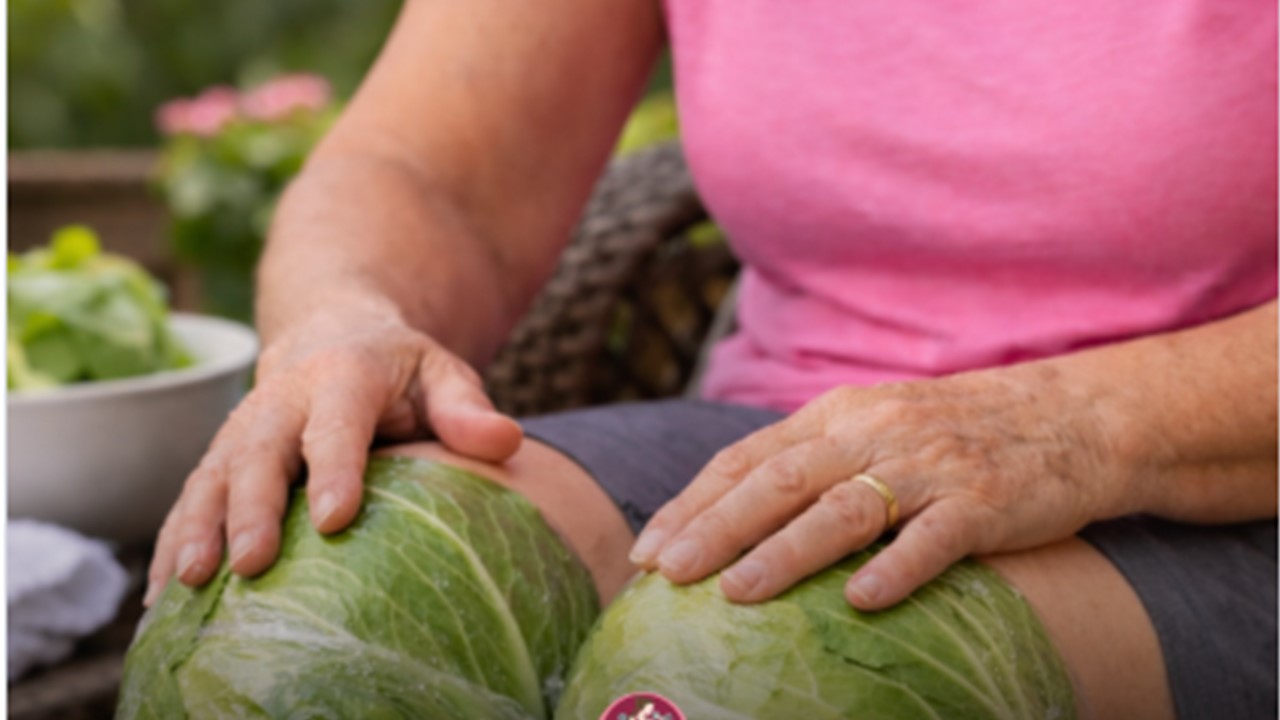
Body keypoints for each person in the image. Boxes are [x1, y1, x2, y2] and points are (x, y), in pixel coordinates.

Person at [146, 1, 1277, 718]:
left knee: (778, 686)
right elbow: (424, 170)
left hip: (1220, 466)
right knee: (306, 623)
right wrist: (340, 314)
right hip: (792, 426)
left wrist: (1076, 424)